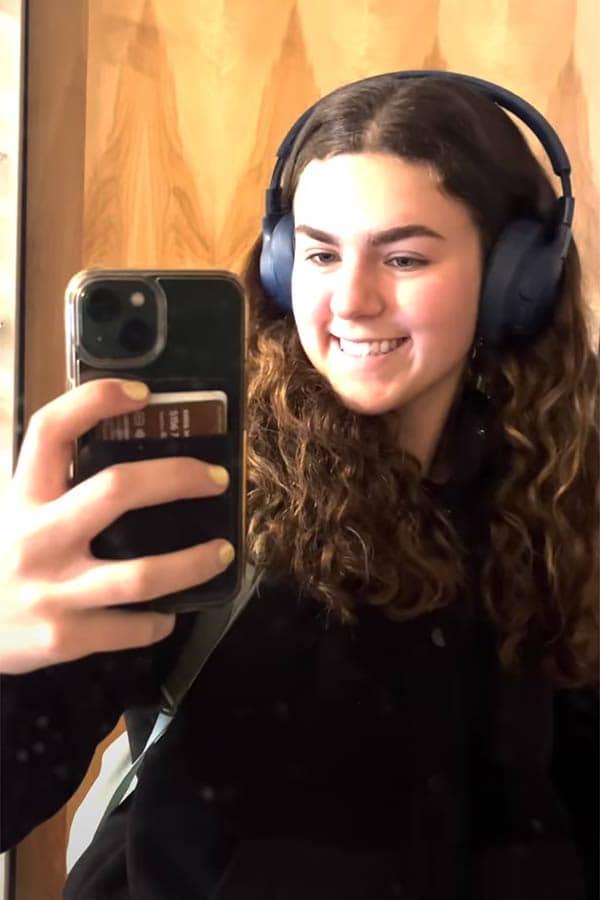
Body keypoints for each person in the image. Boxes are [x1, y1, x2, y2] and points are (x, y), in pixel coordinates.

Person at [1, 71, 598, 900]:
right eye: (319, 253)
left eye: (404, 256)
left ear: (514, 279)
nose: (349, 301)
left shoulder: (569, 503)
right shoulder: (196, 491)